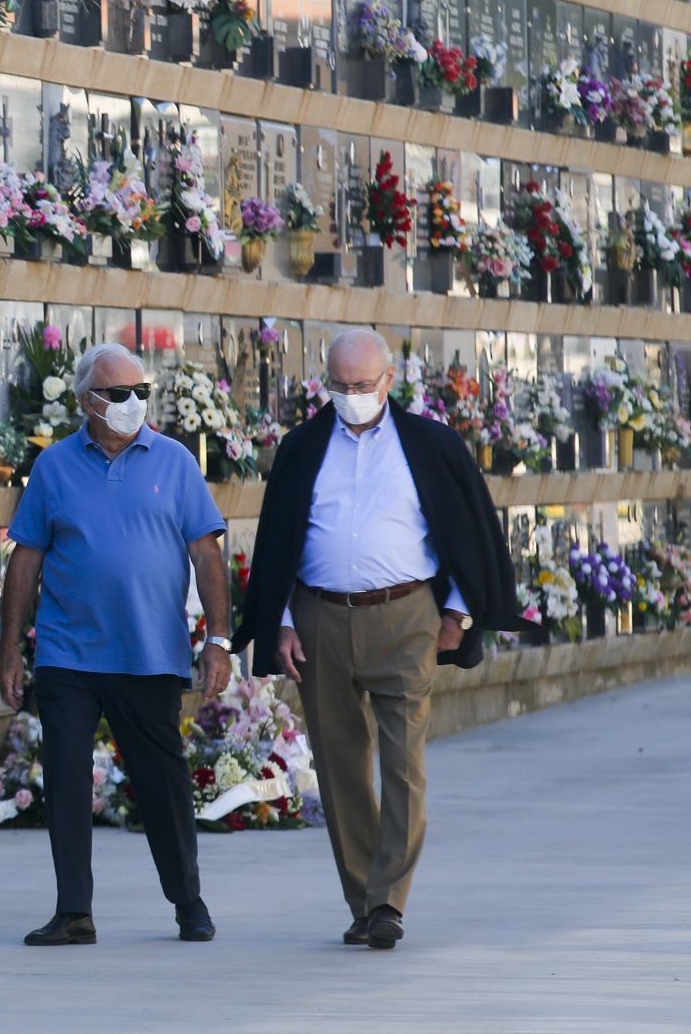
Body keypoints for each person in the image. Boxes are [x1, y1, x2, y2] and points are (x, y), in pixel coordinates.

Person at [236, 329, 519, 950]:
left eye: (362, 386)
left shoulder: (430, 445)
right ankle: (362, 898)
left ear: (389, 380)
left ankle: (389, 901)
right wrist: (279, 620)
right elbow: (280, 540)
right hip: (319, 619)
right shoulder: (304, 447)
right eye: (339, 386)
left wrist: (458, 613)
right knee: (339, 767)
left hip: (405, 616)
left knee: (403, 763)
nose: (351, 396)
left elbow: (470, 533)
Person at [0, 342, 232, 947]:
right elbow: (26, 559)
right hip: (69, 654)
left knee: (163, 783)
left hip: (148, 654)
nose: (133, 404)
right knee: (68, 782)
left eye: (141, 393)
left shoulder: (175, 462)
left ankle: (189, 902)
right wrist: (10, 648)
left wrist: (219, 640)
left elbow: (207, 555)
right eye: (119, 394)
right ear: (86, 401)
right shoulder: (53, 468)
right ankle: (74, 910)